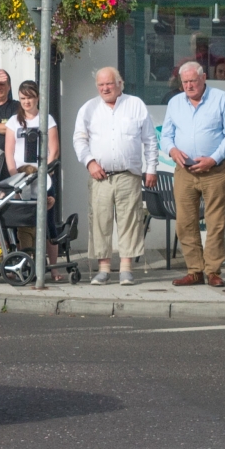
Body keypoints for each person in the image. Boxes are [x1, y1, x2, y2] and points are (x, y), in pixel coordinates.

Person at [73, 66, 157, 286]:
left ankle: (126, 268)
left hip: (129, 175)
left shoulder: (135, 104)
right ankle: (104, 269)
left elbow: (150, 139)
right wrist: (89, 162)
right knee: (100, 221)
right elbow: (79, 139)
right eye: (101, 85)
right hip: (100, 176)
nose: (105, 88)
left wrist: (152, 168)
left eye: (109, 83)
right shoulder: (89, 108)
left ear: (120, 83)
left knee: (130, 220)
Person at [160, 62, 225, 287]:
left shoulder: (221, 99)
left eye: (192, 81)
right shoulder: (175, 103)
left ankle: (213, 271)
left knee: (215, 222)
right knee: (185, 223)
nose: (188, 86)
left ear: (203, 78)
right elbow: (166, 136)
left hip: (214, 170)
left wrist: (213, 158)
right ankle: (194, 271)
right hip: (184, 171)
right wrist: (172, 150)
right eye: (184, 82)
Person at [6, 80, 59, 270]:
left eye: (30, 97)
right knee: (23, 223)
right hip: (21, 178)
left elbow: (54, 150)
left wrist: (44, 172)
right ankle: (26, 265)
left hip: (42, 178)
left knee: (48, 222)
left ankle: (52, 268)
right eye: (22, 98)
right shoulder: (14, 122)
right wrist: (15, 178)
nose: (26, 102)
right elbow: (9, 152)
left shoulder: (47, 119)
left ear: (37, 98)